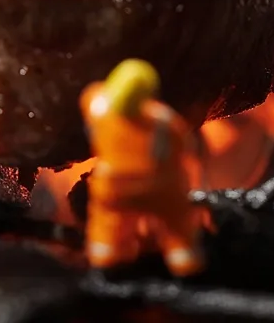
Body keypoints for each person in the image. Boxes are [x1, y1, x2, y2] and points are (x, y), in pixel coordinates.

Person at [81, 59, 205, 277]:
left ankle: (106, 263)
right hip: (157, 187)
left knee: (110, 223)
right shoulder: (163, 119)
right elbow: (186, 146)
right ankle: (186, 266)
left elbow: (92, 94)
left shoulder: (97, 105)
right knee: (175, 224)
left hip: (114, 186)